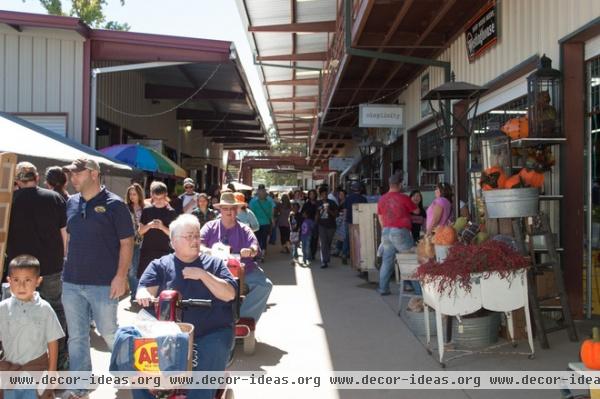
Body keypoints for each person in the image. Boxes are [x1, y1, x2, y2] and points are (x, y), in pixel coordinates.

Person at [137, 215, 236, 399]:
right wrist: (143, 294)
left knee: (212, 351)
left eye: (197, 236)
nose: (195, 240)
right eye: (189, 236)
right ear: (174, 241)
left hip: (210, 332)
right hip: (167, 334)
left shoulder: (214, 264)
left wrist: (202, 275)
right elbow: (145, 289)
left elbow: (229, 293)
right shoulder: (159, 265)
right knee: (140, 362)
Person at [61, 158, 134, 398]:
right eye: (71, 174)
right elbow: (69, 238)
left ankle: (131, 375)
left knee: (109, 332)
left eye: (77, 174)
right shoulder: (71, 202)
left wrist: (120, 276)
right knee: (77, 336)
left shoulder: (116, 205)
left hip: (103, 282)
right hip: (72, 281)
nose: (73, 178)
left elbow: (127, 243)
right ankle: (80, 384)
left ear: (93, 174)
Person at [6, 162, 68, 370]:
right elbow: (64, 234)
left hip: (19, 271)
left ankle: (19, 362)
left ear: (16, 180)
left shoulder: (8, 201)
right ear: (37, 177)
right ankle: (59, 362)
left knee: (16, 313)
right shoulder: (55, 198)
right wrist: (64, 257)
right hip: (50, 266)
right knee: (56, 310)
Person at [201, 192, 272, 324]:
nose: (229, 212)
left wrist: (250, 251)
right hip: (213, 269)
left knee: (265, 285)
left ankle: (241, 319)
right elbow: (198, 243)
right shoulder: (209, 227)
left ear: (237, 210)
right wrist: (207, 251)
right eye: (226, 208)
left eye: (232, 208)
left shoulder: (245, 229)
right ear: (220, 209)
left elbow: (254, 246)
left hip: (243, 269)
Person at [0, 255, 65, 399]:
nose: (21, 286)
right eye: (16, 280)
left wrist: (52, 371)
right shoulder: (2, 309)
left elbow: (53, 341)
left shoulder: (45, 309)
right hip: (10, 371)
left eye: (27, 280)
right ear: (9, 281)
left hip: (36, 371)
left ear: (38, 281)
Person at [376, 171, 417, 295]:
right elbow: (416, 211)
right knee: (409, 260)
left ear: (389, 184)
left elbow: (380, 217)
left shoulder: (382, 199)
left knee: (387, 261)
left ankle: (383, 288)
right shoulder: (403, 197)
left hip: (386, 231)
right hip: (400, 231)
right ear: (399, 185)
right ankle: (419, 291)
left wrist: (386, 229)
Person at [138, 181, 177, 278]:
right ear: (151, 195)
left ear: (166, 195)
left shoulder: (171, 212)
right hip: (147, 251)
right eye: (156, 198)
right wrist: (149, 225)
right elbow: (140, 231)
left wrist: (162, 227)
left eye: (161, 198)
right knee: (145, 279)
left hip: (164, 251)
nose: (158, 200)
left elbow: (174, 234)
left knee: (162, 281)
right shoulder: (147, 210)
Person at [125, 183, 145, 304]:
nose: (132, 197)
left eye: (134, 194)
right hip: (130, 242)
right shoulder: (125, 207)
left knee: (142, 268)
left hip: (145, 242)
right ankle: (134, 295)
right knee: (132, 270)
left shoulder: (145, 208)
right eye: (130, 194)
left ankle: (142, 293)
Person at [343, 181, 367, 264]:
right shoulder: (363, 199)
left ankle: (345, 255)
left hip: (349, 221)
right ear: (360, 189)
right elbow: (365, 211)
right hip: (359, 222)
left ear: (352, 189)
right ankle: (357, 257)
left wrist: (344, 220)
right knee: (358, 240)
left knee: (347, 238)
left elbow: (345, 211)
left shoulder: (348, 198)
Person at [315, 187, 339, 269]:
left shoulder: (332, 203)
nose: (324, 196)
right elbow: (317, 214)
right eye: (323, 194)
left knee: (328, 243)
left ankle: (326, 257)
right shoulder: (318, 203)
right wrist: (315, 223)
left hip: (331, 226)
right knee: (323, 243)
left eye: (326, 194)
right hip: (321, 225)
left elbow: (335, 215)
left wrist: (329, 210)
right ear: (320, 195)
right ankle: (324, 261)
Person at [249, 184, 274, 256]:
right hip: (266, 223)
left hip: (256, 224)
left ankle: (257, 252)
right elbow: (271, 213)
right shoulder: (269, 202)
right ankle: (262, 253)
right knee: (264, 238)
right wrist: (272, 220)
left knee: (257, 239)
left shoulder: (253, 201)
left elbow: (250, 213)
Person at [301, 189, 319, 260]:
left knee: (314, 239)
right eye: (310, 194)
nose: (312, 195)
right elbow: (302, 213)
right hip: (308, 224)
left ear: (315, 195)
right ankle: (309, 254)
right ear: (308, 195)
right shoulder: (306, 204)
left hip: (316, 223)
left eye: (313, 194)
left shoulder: (318, 203)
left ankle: (313, 254)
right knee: (308, 239)